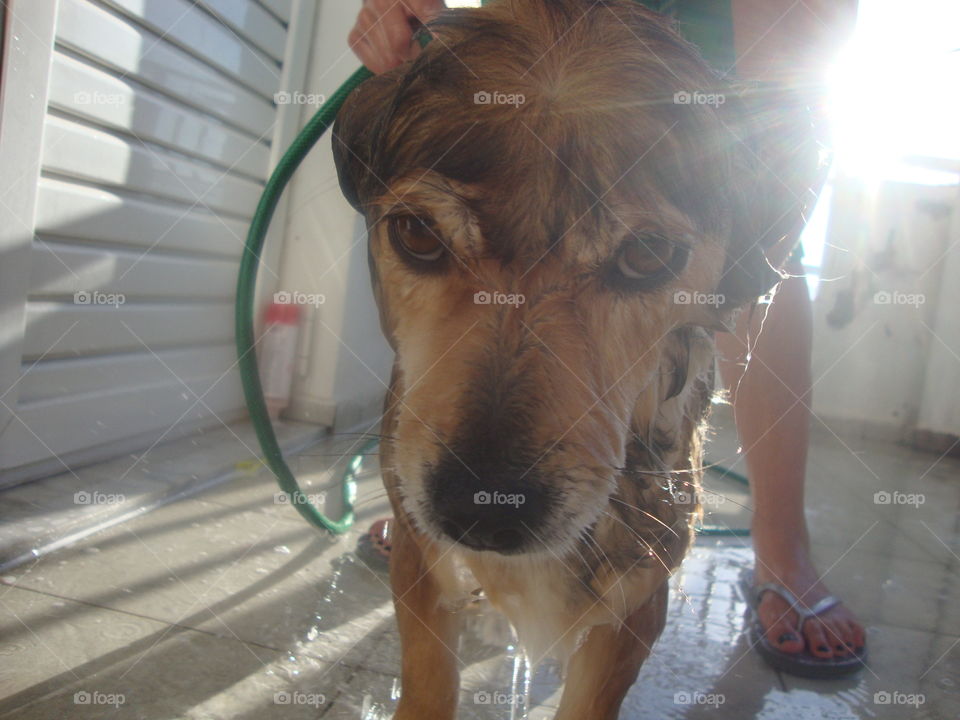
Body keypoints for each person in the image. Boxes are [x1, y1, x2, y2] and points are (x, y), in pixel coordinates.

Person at [347, 0, 866, 677]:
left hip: (710, 54)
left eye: (644, 257)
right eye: (421, 237)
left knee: (756, 241)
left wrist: (779, 128)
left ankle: (781, 542)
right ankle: (423, 537)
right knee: (483, 182)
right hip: (525, 36)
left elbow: (795, 84)